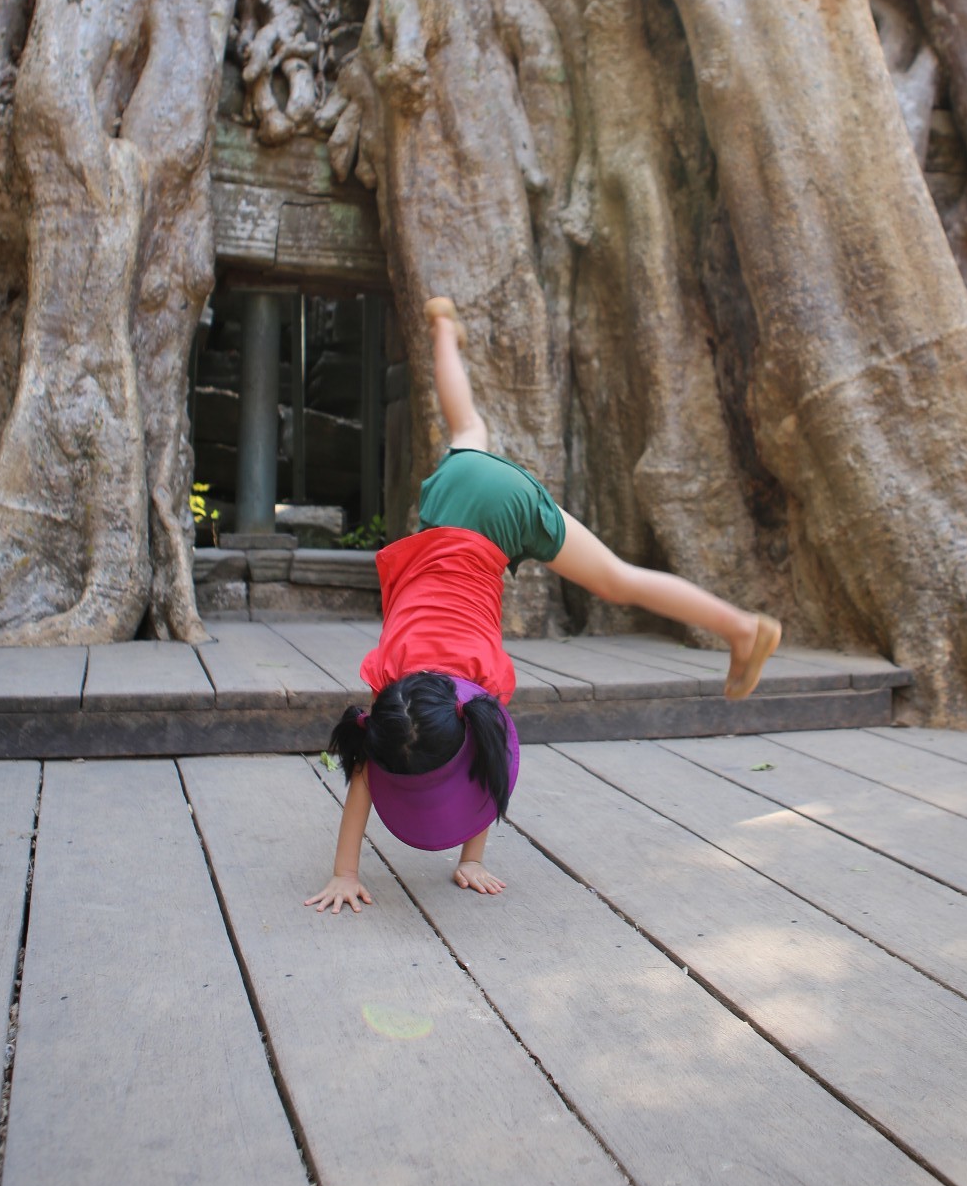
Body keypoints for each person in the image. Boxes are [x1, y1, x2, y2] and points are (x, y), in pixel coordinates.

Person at [305, 297, 782, 912]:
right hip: (459, 498)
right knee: (468, 432)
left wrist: (353, 873)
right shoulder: (394, 680)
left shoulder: (476, 681)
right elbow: (462, 758)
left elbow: (482, 756)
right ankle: (443, 327)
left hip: (499, 514)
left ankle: (742, 629)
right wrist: (463, 862)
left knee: (616, 579)